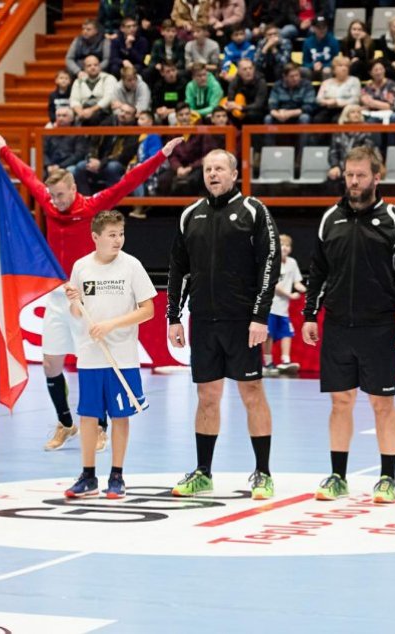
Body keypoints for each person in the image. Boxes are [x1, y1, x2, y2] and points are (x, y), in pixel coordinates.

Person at [0, 133, 180, 450]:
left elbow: (127, 182)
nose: (56, 201)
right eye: (52, 196)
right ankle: (66, 423)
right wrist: (4, 150)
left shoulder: (92, 206)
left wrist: (161, 155)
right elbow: (26, 175)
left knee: (95, 363)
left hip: (88, 297)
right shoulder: (50, 203)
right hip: (55, 296)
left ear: (74, 189)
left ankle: (101, 427)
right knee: (51, 363)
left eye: (62, 195)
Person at [302, 146, 395, 504]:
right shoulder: (330, 219)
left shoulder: (394, 219)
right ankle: (338, 476)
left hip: (379, 326)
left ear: (376, 177)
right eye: (349, 175)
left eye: (361, 175)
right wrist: (310, 314)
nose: (353, 182)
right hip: (337, 325)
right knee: (340, 402)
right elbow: (318, 272)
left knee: (382, 403)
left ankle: (388, 477)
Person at [167, 149, 281, 500]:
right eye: (208, 169)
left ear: (234, 174)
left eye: (219, 168)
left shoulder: (253, 211)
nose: (213, 174)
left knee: (252, 393)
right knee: (207, 397)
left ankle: (262, 472)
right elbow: (178, 269)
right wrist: (174, 316)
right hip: (203, 320)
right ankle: (203, 471)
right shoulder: (191, 215)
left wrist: (260, 316)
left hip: (242, 322)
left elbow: (270, 263)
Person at [62, 210, 156, 499]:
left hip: (122, 356)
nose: (118, 240)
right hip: (90, 355)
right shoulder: (81, 267)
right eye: (112, 235)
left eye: (121, 234)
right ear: (95, 237)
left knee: (120, 415)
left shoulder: (132, 266)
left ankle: (117, 475)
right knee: (88, 416)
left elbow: (148, 310)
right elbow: (78, 312)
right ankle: (88, 476)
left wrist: (112, 325)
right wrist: (73, 302)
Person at [263, 234, 306, 374]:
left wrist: (305, 290)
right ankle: (268, 363)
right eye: (281, 244)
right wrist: (290, 295)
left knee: (287, 333)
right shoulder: (271, 262)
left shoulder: (292, 263)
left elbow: (297, 282)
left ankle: (285, 361)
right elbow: (273, 284)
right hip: (270, 307)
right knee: (268, 335)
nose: (285, 247)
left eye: (287, 245)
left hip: (283, 309)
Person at [70, 55, 118, 126]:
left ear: (99, 67)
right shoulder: (78, 81)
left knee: (94, 118)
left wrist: (91, 110)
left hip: (103, 111)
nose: (93, 67)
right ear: (84, 68)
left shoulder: (109, 78)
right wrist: (80, 112)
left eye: (96, 65)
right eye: (89, 66)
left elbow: (108, 98)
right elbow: (74, 100)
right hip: (83, 110)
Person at [302, 16, 339, 80]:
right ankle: (306, 89)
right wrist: (312, 65)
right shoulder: (307, 42)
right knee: (303, 70)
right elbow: (305, 62)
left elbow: (335, 60)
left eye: (324, 27)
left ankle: (328, 89)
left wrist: (324, 66)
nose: (322, 30)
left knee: (327, 71)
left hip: (327, 68)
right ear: (313, 28)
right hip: (312, 69)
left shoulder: (333, 41)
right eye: (319, 28)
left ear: (327, 28)